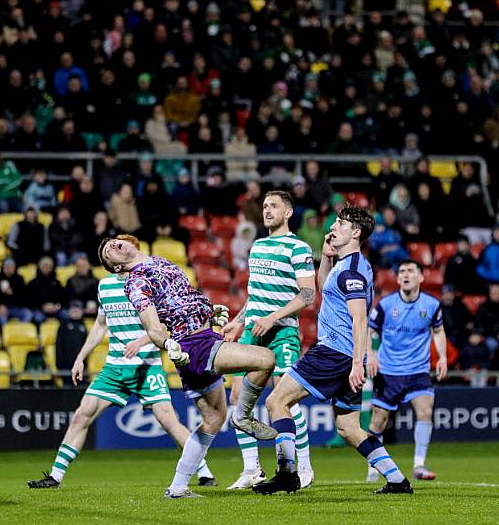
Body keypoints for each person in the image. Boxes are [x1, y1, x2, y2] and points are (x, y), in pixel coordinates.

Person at [97, 235, 277, 499]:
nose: (113, 245)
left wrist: (208, 312)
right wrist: (167, 343)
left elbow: (182, 298)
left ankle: (178, 487)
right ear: (116, 268)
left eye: (113, 241)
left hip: (203, 335)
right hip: (193, 346)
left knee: (214, 419)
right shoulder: (136, 282)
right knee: (265, 360)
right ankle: (243, 417)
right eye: (108, 251)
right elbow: (153, 327)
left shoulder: (160, 261)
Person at [256, 206, 413, 495]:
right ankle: (397, 480)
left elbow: (361, 318)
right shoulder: (348, 265)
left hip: (334, 353)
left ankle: (287, 474)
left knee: (276, 401)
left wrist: (357, 364)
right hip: (342, 355)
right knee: (349, 429)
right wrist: (326, 258)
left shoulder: (352, 271)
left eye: (341, 223)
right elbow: (324, 287)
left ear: (356, 233)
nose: (333, 226)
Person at [28, 254, 217, 489]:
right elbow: (100, 324)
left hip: (147, 366)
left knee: (168, 420)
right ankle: (55, 476)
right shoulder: (105, 285)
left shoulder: (145, 283)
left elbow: (161, 326)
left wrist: (140, 341)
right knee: (81, 415)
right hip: (115, 367)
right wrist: (80, 356)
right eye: (112, 251)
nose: (118, 253)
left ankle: (204, 472)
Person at [222, 191, 316, 490]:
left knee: (283, 398)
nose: (267, 210)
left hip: (282, 332)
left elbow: (308, 295)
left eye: (273, 206)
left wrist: (273, 318)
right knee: (237, 398)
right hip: (253, 331)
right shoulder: (258, 246)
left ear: (288, 213)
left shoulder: (299, 247)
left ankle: (302, 465)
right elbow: (255, 295)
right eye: (264, 206)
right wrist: (238, 322)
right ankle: (252, 469)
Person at [366, 259, 448, 483]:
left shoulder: (432, 305)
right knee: (378, 421)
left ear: (421, 277)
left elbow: (438, 332)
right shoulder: (385, 304)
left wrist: (442, 358)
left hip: (417, 371)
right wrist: (371, 355)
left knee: (425, 410)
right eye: (401, 271)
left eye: (411, 271)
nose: (405, 275)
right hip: (389, 371)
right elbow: (369, 332)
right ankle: (374, 466)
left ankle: (419, 465)